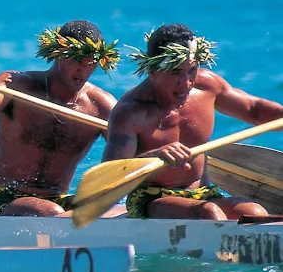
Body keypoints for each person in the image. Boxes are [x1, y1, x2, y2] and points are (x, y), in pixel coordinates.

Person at [103, 23, 282, 220]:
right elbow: (109, 178)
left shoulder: (207, 87)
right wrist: (154, 155)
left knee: (254, 212)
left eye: (191, 70)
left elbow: (254, 110)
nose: (186, 82)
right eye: (175, 73)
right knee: (209, 213)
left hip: (203, 194)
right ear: (153, 72)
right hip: (152, 200)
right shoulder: (130, 112)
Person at [0, 20, 120, 216]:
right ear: (56, 54)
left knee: (107, 208)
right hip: (5, 200)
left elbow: (131, 143)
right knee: (52, 212)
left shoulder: (100, 104)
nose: (83, 70)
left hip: (59, 201)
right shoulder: (17, 85)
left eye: (91, 62)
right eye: (76, 60)